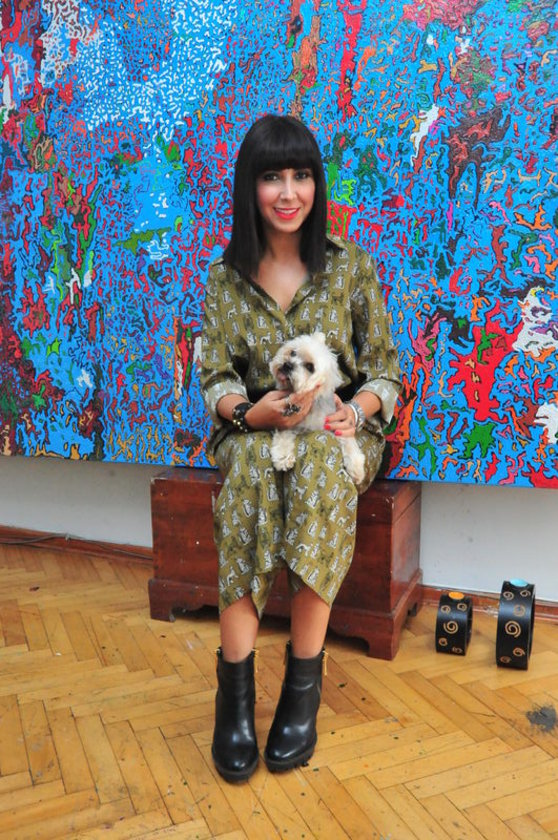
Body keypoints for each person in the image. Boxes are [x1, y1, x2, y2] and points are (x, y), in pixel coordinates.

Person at [200, 114, 401, 782]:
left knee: (316, 466)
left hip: (335, 433)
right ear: (250, 188)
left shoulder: (349, 267)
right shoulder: (226, 278)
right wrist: (248, 412)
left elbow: (385, 371)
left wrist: (354, 411)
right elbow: (215, 377)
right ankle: (234, 694)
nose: (288, 192)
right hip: (254, 430)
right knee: (254, 466)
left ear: (316, 183)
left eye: (301, 175)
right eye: (272, 177)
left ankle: (301, 689)